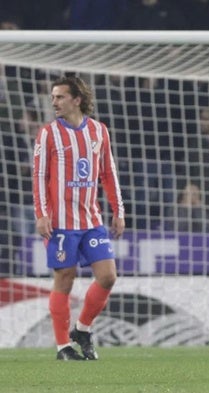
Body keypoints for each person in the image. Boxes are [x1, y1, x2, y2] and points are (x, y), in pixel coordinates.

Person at [32, 76, 125, 361]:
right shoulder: (48, 134)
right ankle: (63, 348)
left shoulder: (98, 131)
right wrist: (42, 213)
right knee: (65, 279)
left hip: (91, 219)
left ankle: (82, 329)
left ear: (77, 99)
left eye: (60, 97)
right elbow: (39, 176)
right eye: (53, 97)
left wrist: (118, 210)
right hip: (60, 222)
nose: (54, 102)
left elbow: (108, 173)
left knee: (108, 277)